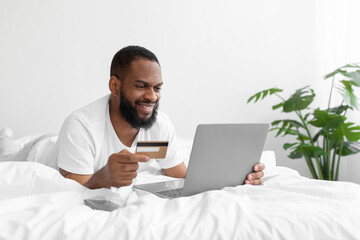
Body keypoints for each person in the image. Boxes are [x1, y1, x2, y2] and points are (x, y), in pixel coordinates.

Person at [57, 45, 265, 189]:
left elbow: (182, 176)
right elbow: (74, 191)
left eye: (157, 88)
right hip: (49, 154)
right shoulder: (81, 126)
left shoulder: (160, 126)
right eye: (141, 86)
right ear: (115, 85)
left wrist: (241, 177)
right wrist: (105, 177)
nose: (152, 96)